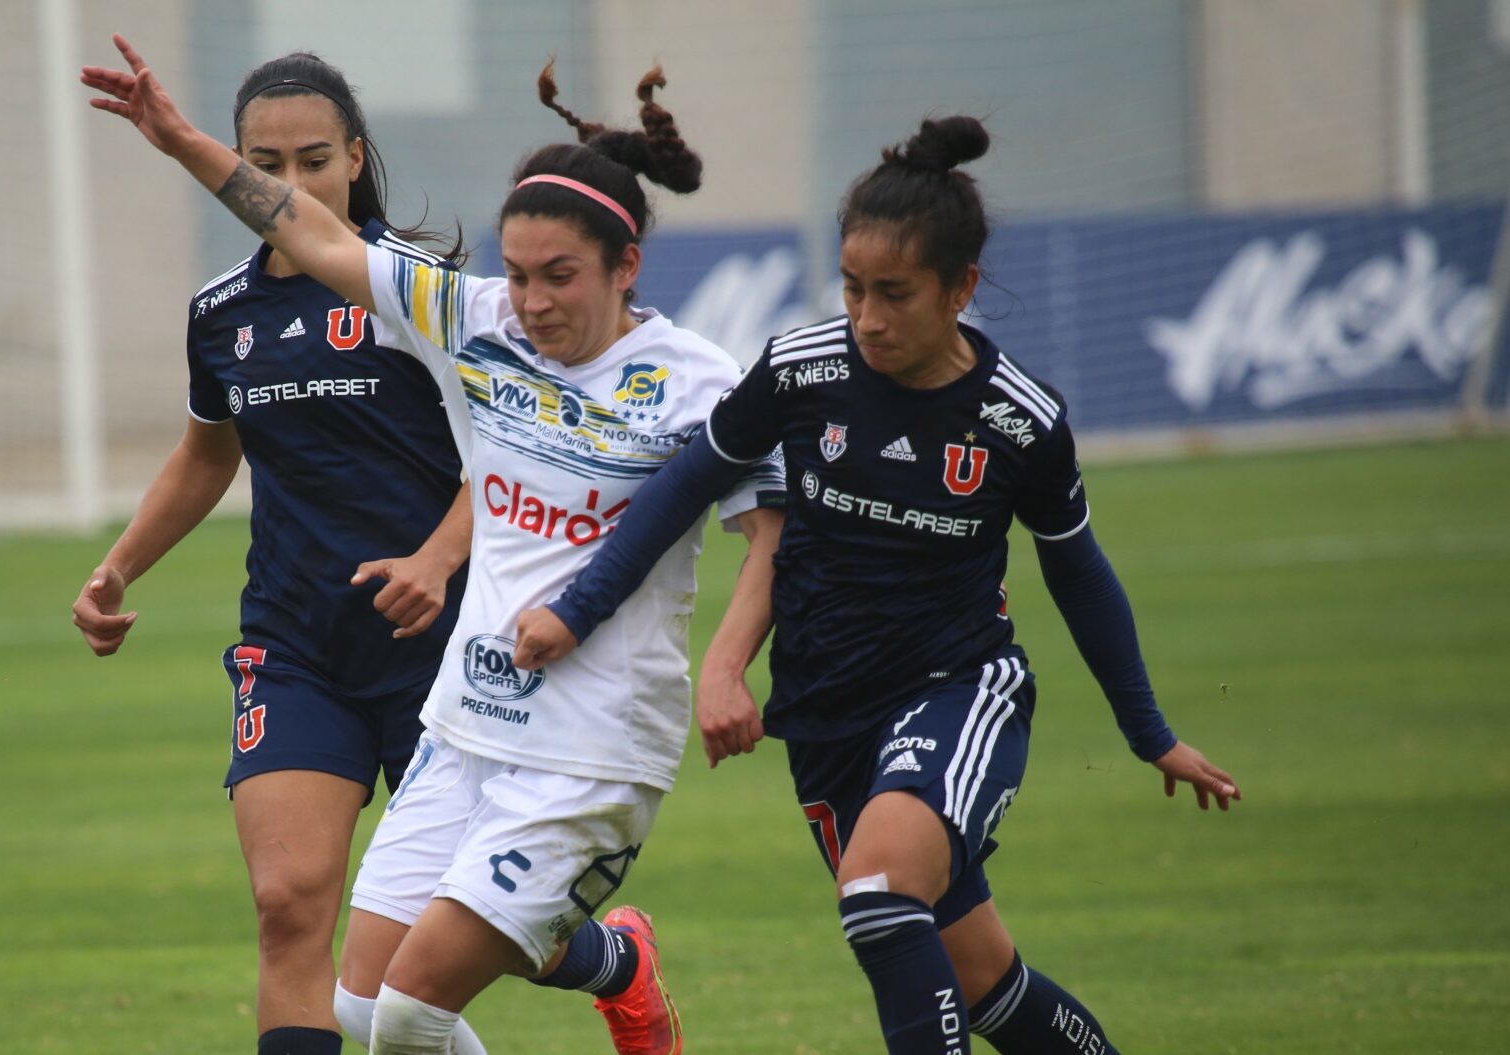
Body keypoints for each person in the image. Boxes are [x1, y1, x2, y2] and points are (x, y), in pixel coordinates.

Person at [83, 38, 784, 1055]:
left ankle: (613, 961)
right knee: (346, 979)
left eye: (561, 276)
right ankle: (610, 961)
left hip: (569, 727)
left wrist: (726, 663)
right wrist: (181, 141)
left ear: (625, 266)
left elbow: (771, 530)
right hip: (425, 699)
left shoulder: (692, 378)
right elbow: (297, 250)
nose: (533, 300)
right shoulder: (470, 318)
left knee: (418, 998)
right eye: (520, 273)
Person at [513, 115, 1243, 1055]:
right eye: (855, 290)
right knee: (983, 982)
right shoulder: (800, 371)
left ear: (961, 288)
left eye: (895, 294)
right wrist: (577, 612)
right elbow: (683, 488)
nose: (869, 318)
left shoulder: (1019, 422)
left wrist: (1150, 733)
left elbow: (1080, 573)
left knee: (879, 892)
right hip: (824, 717)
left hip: (956, 689)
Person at [69, 51, 476, 1055]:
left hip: (446, 653)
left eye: (312, 160)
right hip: (298, 649)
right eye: (265, 160)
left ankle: (608, 958)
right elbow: (207, 453)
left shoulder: (422, 296)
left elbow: (511, 464)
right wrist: (119, 564)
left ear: (356, 160)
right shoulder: (223, 312)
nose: (287, 186)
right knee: (288, 903)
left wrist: (432, 559)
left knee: (440, 941)